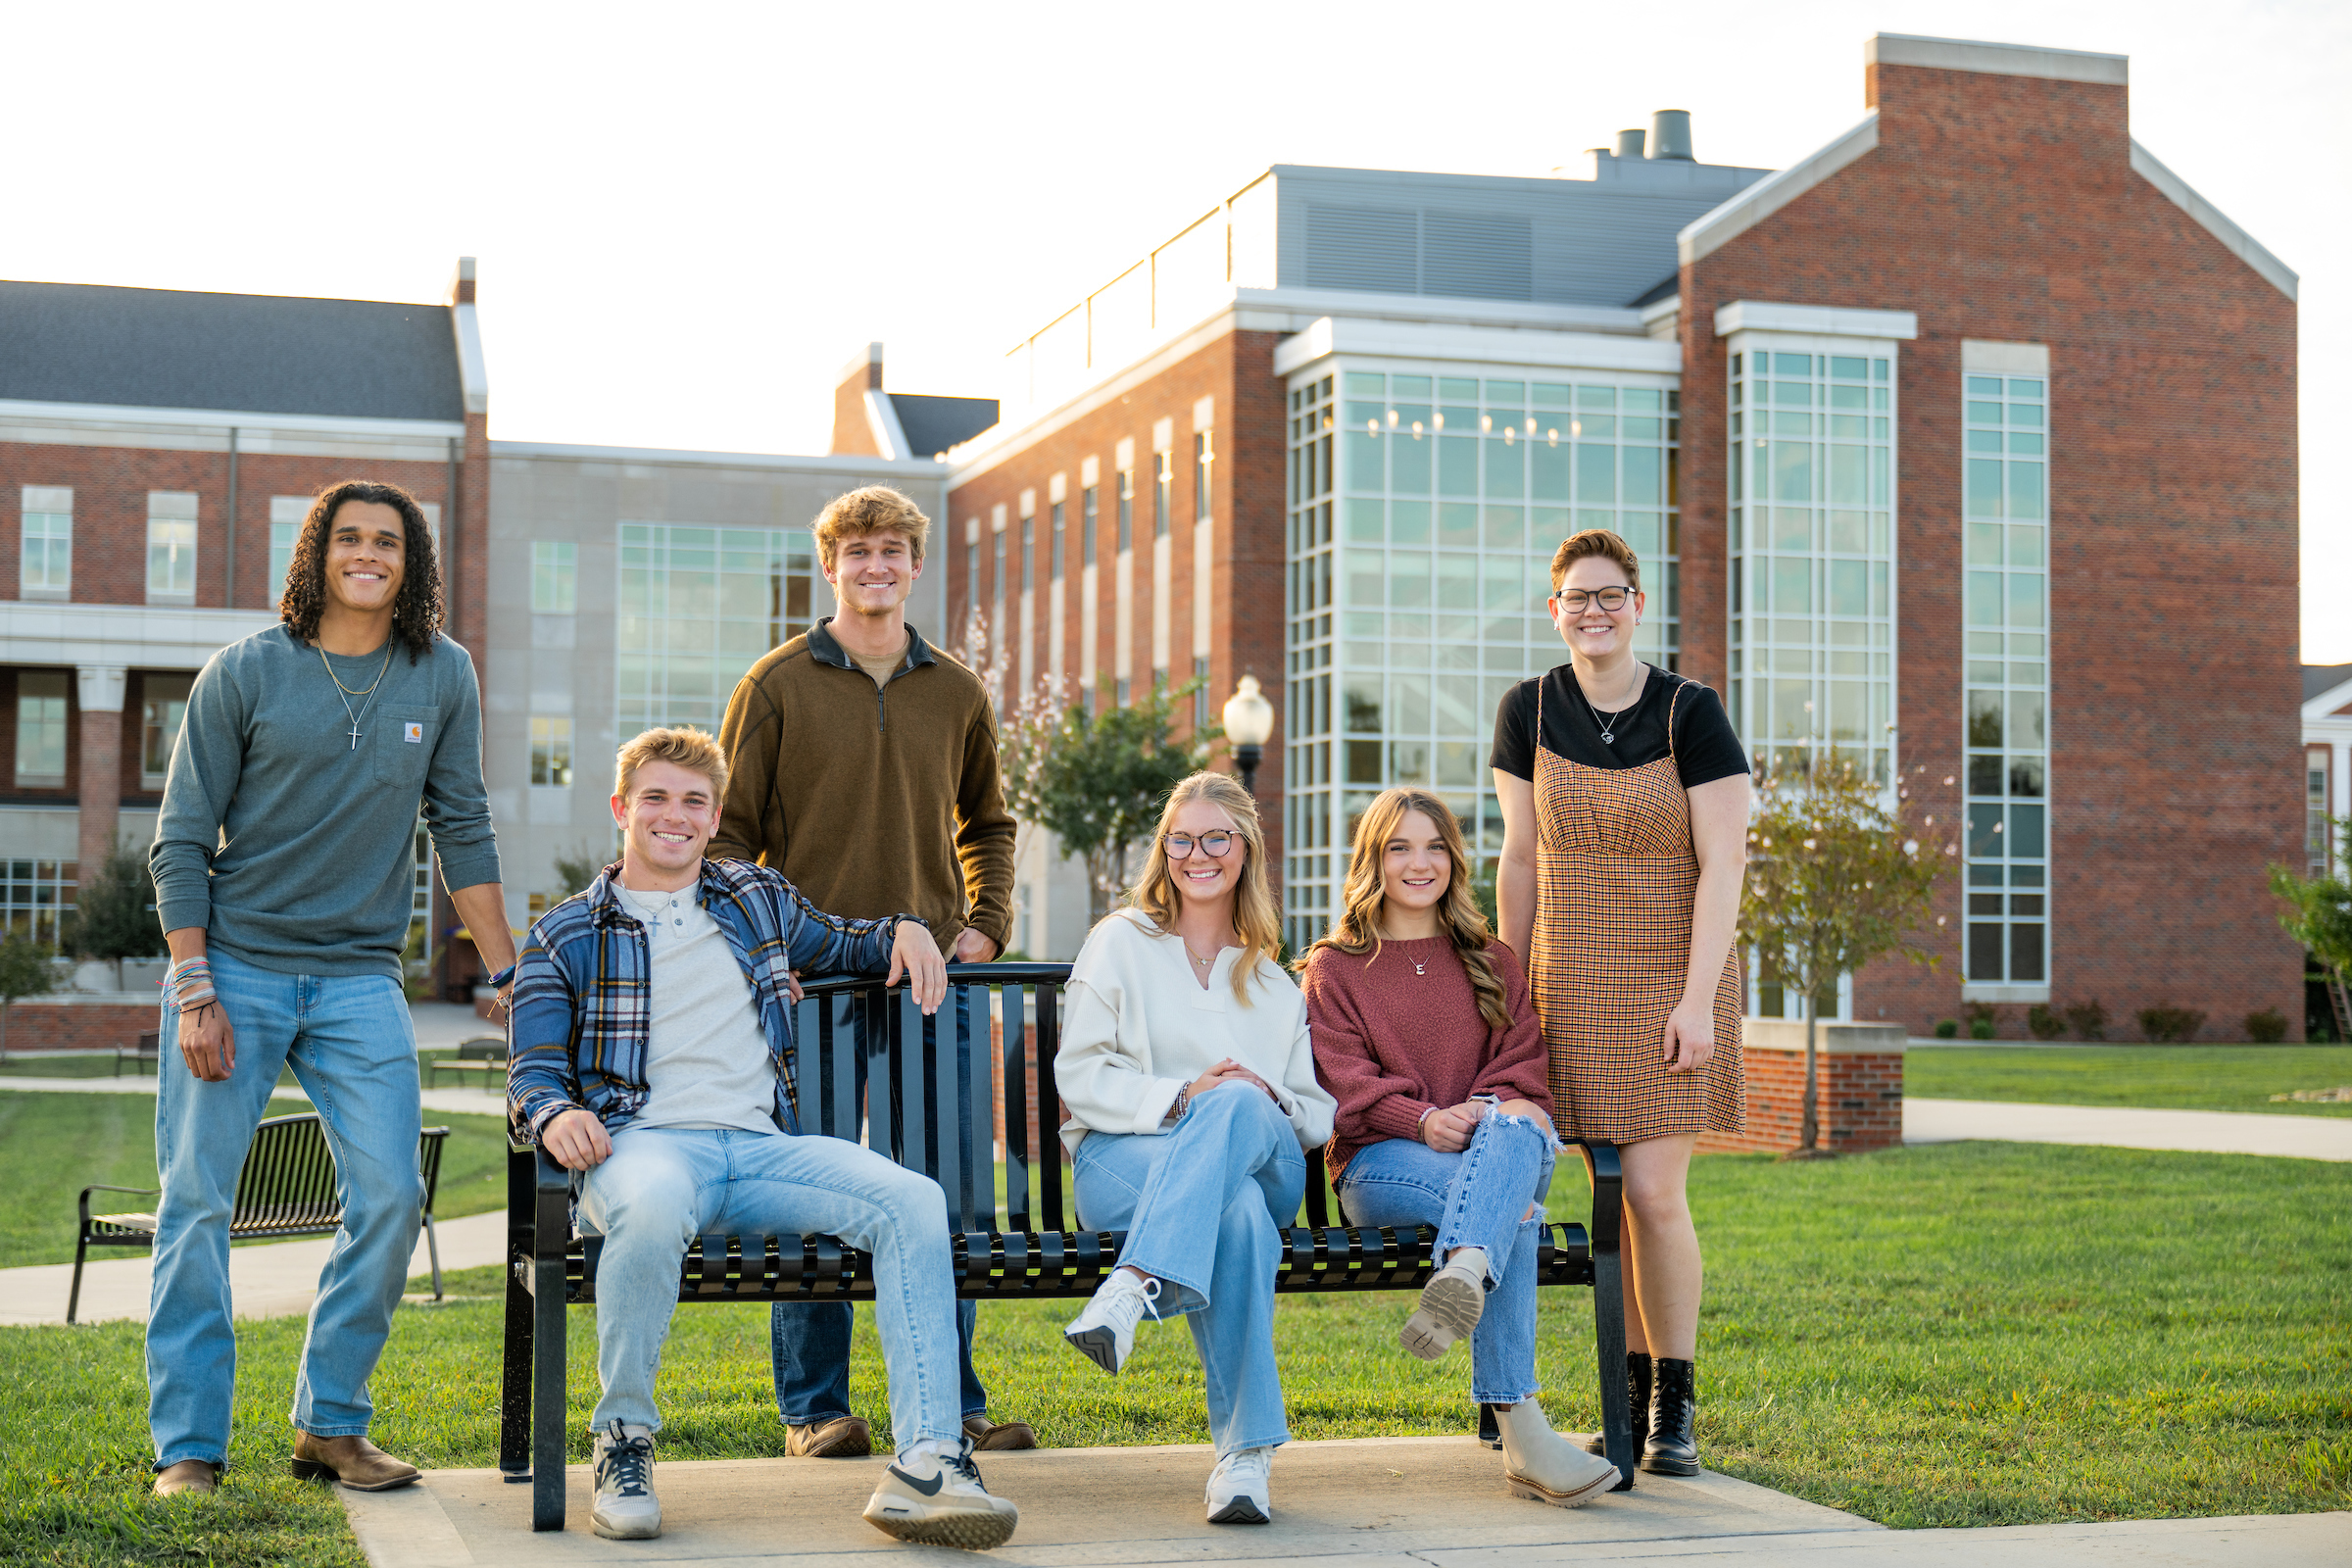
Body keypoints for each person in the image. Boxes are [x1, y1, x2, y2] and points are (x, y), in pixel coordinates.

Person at [507, 726, 1018, 1549]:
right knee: (649, 1201)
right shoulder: (566, 932)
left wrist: (908, 930)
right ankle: (624, 1441)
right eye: (657, 798)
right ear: (621, 809)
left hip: (758, 1148)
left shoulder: (756, 897)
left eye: (695, 803)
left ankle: (929, 1460)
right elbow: (530, 1066)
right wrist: (555, 1112)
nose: (676, 816)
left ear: (715, 819)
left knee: (910, 1200)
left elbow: (848, 940)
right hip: (644, 1147)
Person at [145, 480, 512, 1497]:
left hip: (358, 978)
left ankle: (331, 1424)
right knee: (196, 1205)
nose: (368, 553)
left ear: (411, 561)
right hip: (238, 968)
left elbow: (465, 826)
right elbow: (178, 841)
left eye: (386, 541)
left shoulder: (442, 675)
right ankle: (189, 1446)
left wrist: (512, 972)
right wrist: (194, 985)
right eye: (348, 537)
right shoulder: (247, 672)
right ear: (317, 553)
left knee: (392, 1194)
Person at [711, 485, 1029, 1457]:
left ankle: (957, 1398)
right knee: (811, 1186)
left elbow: (989, 824)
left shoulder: (957, 690)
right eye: (856, 552)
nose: (874, 566)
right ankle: (815, 1407)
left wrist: (985, 926)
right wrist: (769, 953)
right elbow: (727, 842)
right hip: (811, 987)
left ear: (915, 565)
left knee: (943, 1191)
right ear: (831, 565)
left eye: (891, 550)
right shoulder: (775, 683)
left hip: (934, 980)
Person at [1491, 528, 1749, 1477]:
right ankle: (1624, 1400)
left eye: (1610, 595)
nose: (1592, 612)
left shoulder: (1692, 711)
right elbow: (1520, 857)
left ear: (1638, 604)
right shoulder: (1527, 709)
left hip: (1672, 978)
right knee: (1608, 1200)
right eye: (1575, 598)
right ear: (1553, 610)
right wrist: (1509, 986)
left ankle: (1673, 1410)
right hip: (1568, 974)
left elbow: (1726, 861)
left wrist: (1697, 1001)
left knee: (1652, 1191)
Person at [1301, 787, 1622, 1509]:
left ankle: (1466, 1270)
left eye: (1435, 847)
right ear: (1372, 860)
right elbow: (1341, 1085)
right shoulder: (1336, 967)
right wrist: (1421, 1121)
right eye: (1400, 847)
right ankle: (1525, 1437)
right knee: (1513, 1210)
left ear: (1454, 858)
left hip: (1492, 1146)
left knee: (1514, 1129)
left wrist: (1476, 1114)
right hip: (1383, 1163)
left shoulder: (1491, 958)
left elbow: (1523, 1071)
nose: (1421, 863)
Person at [1054, 771, 1336, 1526]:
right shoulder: (1120, 942)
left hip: (1262, 1156)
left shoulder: (1275, 983)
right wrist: (1184, 1095)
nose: (1196, 854)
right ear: (1164, 850)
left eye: (1215, 838)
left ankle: (1134, 1282)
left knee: (1239, 1104)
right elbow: (1079, 1074)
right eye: (1181, 839)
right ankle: (1245, 1459)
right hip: (1124, 1160)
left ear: (1245, 849)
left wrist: (1250, 1101)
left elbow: (1314, 1111)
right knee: (1236, 1212)